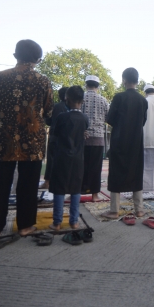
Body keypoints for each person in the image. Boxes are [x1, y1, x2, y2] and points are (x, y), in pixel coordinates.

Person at [0, 39, 53, 241]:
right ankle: (25, 226)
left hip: (3, 141)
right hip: (32, 141)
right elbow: (49, 111)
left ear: (15, 56)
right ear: (37, 60)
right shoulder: (42, 81)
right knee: (28, 185)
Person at [102, 68, 148, 219]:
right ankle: (139, 210)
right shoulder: (142, 100)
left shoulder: (119, 97)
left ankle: (114, 211)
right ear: (137, 80)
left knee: (116, 173)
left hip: (119, 140)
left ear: (124, 80)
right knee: (136, 173)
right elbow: (143, 121)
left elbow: (110, 119)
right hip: (136, 141)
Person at [49, 86, 88, 232]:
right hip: (78, 158)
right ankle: (74, 222)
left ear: (67, 99)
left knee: (59, 189)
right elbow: (83, 132)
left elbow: (56, 133)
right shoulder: (84, 118)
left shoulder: (62, 117)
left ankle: (57, 223)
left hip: (62, 157)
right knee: (75, 188)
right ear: (82, 101)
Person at [81, 75, 109, 202]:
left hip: (82, 137)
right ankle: (95, 195)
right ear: (97, 87)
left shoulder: (81, 98)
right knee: (95, 168)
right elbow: (109, 118)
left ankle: (76, 192)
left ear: (86, 85)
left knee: (80, 167)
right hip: (98, 138)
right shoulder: (103, 100)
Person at [41, 86, 69, 190]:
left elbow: (48, 121)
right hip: (66, 137)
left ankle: (47, 182)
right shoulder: (71, 108)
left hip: (54, 136)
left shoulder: (55, 107)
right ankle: (64, 182)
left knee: (51, 160)